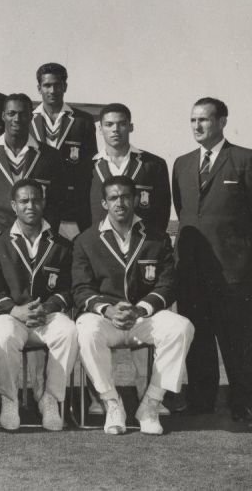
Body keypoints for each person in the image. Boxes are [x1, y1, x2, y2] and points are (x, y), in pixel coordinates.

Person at [172, 98, 252, 421]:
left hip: (232, 273)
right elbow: (186, 211)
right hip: (191, 273)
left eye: (204, 120)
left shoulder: (245, 160)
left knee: (237, 340)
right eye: (193, 120)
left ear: (222, 121)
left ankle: (242, 402)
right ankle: (201, 400)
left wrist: (241, 251)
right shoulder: (182, 164)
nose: (197, 126)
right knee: (198, 340)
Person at [73, 175, 194, 435]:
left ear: (136, 200)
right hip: (108, 320)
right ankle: (112, 403)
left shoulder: (157, 238)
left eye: (126, 196)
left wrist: (140, 309)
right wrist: (107, 309)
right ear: (104, 203)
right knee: (85, 329)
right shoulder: (86, 240)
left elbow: (167, 285)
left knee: (181, 327)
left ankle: (150, 404)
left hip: (143, 318)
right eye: (114, 198)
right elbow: (81, 289)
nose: (120, 203)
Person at [88, 102, 172, 415]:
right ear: (101, 129)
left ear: (131, 126)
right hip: (103, 257)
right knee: (97, 324)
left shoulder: (152, 164)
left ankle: (146, 390)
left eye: (121, 123)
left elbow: (161, 214)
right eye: (108, 124)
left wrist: (148, 253)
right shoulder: (88, 164)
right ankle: (101, 396)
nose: (115, 129)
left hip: (143, 255)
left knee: (144, 318)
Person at [0, 179, 78, 431]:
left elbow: (69, 288)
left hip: (46, 315)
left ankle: (50, 399)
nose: (31, 206)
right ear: (13, 206)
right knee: (3, 335)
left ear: (44, 203)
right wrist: (14, 309)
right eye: (24, 201)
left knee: (69, 331)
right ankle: (9, 399)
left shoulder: (61, 244)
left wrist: (48, 308)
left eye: (36, 200)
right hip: (11, 314)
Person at [0, 93, 64, 237]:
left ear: (31, 117)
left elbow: (57, 201)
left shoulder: (50, 156)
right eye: (11, 113)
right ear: (3, 116)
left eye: (22, 114)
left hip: (35, 235)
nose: (16, 119)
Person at [31, 63, 97, 238]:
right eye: (47, 85)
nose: (52, 90)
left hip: (71, 210)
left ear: (65, 86)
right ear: (39, 88)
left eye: (57, 85)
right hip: (37, 207)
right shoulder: (28, 120)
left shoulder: (83, 121)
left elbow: (88, 169)